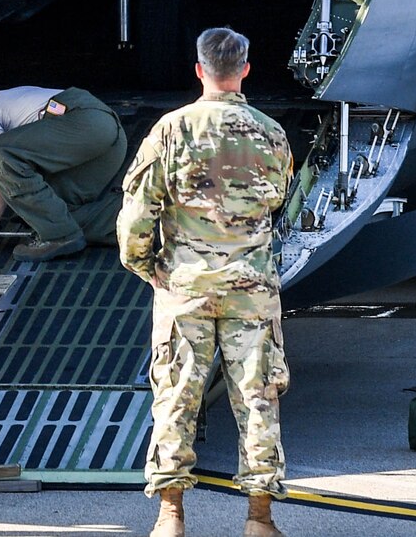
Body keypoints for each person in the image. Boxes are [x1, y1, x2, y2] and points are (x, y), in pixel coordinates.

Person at [119, 28, 293, 537]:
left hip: (184, 286)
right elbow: (278, 197)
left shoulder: (170, 131)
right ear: (244, 69)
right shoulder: (272, 134)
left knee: (175, 397)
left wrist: (146, 266)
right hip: (251, 290)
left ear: (198, 70)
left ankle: (170, 517)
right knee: (258, 397)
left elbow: (135, 217)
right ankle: (260, 520)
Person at [0, 74, 128, 261]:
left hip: (79, 121)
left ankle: (59, 237)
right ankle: (145, 219)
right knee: (61, 213)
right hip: (109, 134)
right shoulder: (12, 100)